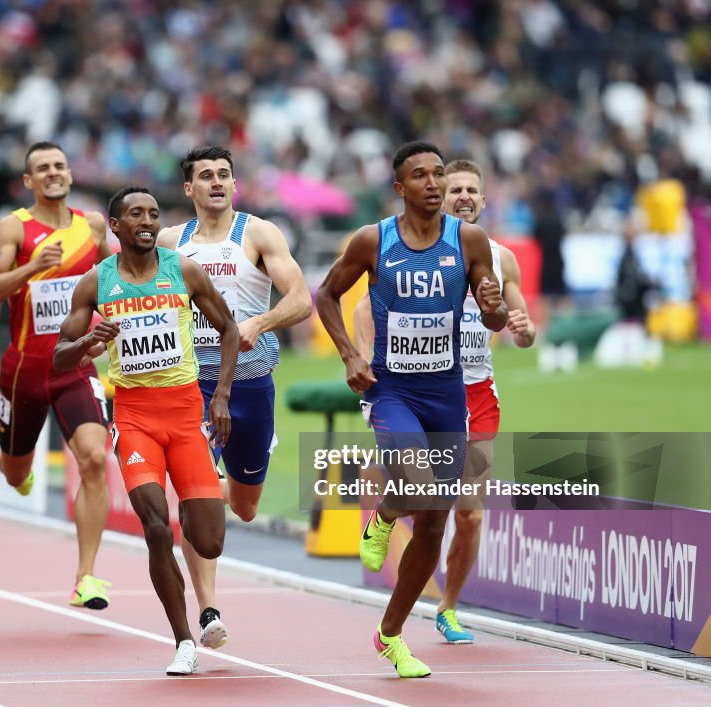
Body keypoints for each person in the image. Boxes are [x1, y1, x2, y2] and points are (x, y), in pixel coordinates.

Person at [316, 141, 506, 678]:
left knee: (433, 524)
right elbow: (325, 295)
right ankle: (383, 516)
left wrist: (492, 307)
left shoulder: (468, 240)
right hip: (392, 389)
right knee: (418, 485)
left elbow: (491, 321)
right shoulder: (372, 240)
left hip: (447, 392)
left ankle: (391, 634)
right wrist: (351, 355)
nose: (433, 183)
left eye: (439, 174)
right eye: (419, 175)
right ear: (400, 188)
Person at [53, 186, 238, 676]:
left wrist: (220, 397)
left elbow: (230, 330)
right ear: (115, 225)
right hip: (135, 418)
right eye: (135, 213)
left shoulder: (184, 269)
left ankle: (200, 609)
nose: (147, 220)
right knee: (157, 527)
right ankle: (182, 639)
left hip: (184, 414)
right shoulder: (96, 283)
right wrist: (91, 340)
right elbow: (60, 354)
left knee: (210, 540)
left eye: (154, 213)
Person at [353, 158, 535, 645]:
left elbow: (523, 327)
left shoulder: (498, 256)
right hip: (413, 386)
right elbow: (360, 305)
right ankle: (386, 515)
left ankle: (448, 607)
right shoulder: (417, 243)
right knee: (422, 489)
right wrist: (366, 361)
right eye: (455, 189)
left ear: (482, 196)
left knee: (469, 511)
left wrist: (522, 326)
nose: (463, 196)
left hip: (474, 391)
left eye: (472, 189)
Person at [156, 145, 311, 650]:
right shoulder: (168, 241)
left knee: (243, 506)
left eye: (224, 174)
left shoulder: (260, 233)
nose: (217, 182)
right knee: (197, 496)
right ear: (189, 189)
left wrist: (258, 323)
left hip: (250, 383)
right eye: (206, 176)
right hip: (190, 384)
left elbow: (301, 299)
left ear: (234, 184)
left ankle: (213, 489)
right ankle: (208, 612)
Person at [0, 141, 114, 610]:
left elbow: (111, 278)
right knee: (18, 469)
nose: (53, 173)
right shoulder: (14, 227)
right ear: (29, 181)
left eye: (59, 165)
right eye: (42, 168)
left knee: (95, 459)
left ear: (71, 175)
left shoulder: (91, 226)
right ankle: (12, 467)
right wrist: (32, 267)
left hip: (74, 364)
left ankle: (87, 577)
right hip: (24, 373)